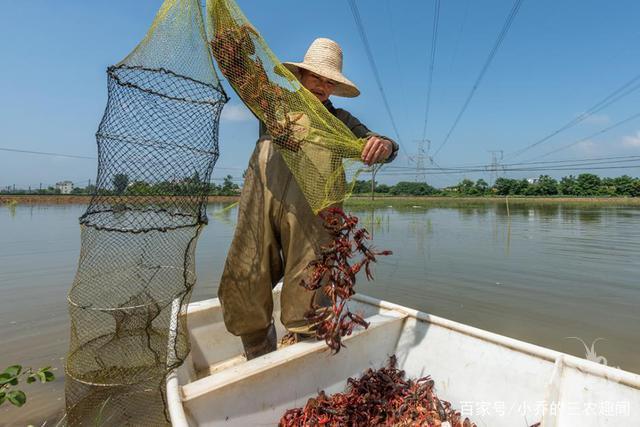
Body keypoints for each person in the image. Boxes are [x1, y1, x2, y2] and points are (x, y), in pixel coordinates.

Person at [218, 38, 399, 359]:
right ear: (300, 77)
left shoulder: (340, 120)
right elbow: (240, 77)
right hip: (263, 205)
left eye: (329, 81)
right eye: (315, 77)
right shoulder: (272, 103)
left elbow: (380, 143)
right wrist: (230, 51)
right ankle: (258, 353)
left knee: (311, 285)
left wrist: (383, 145)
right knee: (246, 275)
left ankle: (303, 358)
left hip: (313, 217)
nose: (322, 85)